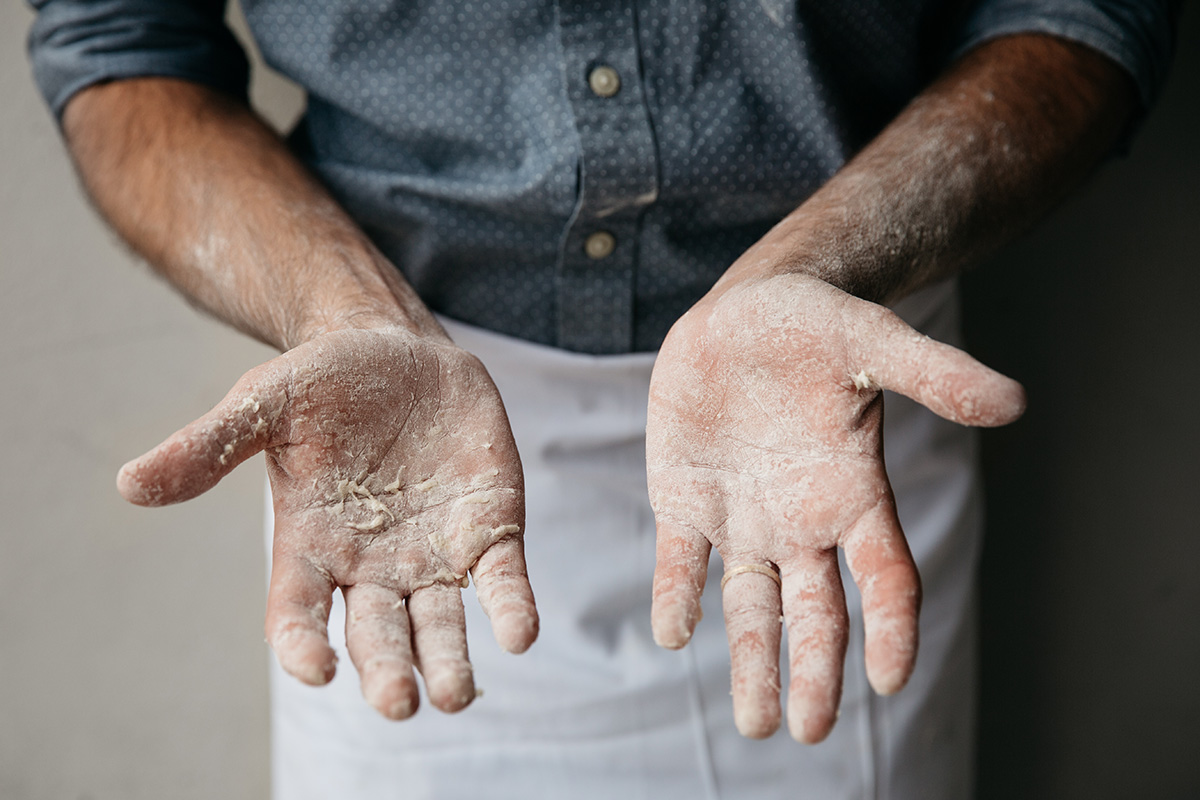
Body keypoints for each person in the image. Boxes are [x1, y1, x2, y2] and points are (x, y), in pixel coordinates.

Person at [27, 1, 1175, 798]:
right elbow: (122, 38)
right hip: (392, 459)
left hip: (827, 415)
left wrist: (823, 261)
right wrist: (345, 311)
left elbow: (1078, 13)